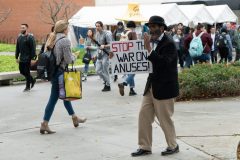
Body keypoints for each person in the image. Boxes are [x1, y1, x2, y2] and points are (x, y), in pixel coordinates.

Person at [131, 16, 179, 157]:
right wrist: (114, 56)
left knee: (165, 119)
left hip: (165, 87)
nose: (151, 29)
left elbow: (164, 63)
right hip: (151, 86)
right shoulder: (149, 41)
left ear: (162, 28)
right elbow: (133, 56)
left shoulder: (169, 43)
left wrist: (150, 51)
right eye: (150, 26)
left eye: (153, 26)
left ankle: (173, 145)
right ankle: (145, 146)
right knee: (143, 116)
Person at [40, 20, 86, 134]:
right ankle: (44, 124)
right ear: (64, 29)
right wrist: (75, 55)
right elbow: (68, 59)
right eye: (68, 28)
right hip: (60, 72)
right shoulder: (64, 40)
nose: (69, 29)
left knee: (65, 96)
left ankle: (75, 118)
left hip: (53, 72)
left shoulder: (52, 37)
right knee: (54, 99)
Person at [117, 21, 138, 96]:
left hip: (123, 55)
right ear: (133, 27)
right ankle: (124, 83)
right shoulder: (132, 33)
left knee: (129, 72)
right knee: (134, 71)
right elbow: (136, 44)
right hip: (131, 55)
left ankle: (131, 90)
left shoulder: (122, 33)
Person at [15, 23, 36, 92]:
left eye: (23, 28)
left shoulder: (30, 37)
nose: (21, 29)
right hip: (21, 58)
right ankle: (32, 80)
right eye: (21, 28)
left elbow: (33, 49)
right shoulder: (19, 37)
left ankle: (27, 87)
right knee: (21, 71)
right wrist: (16, 57)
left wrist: (33, 59)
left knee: (27, 72)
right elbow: (17, 48)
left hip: (28, 58)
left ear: (27, 28)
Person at [94, 21, 112, 92]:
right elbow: (97, 46)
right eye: (96, 26)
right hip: (99, 54)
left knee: (105, 70)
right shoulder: (97, 34)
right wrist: (95, 54)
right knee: (98, 71)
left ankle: (108, 85)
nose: (97, 27)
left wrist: (104, 46)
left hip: (106, 54)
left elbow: (111, 44)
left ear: (102, 26)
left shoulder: (107, 34)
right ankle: (106, 81)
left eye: (98, 26)